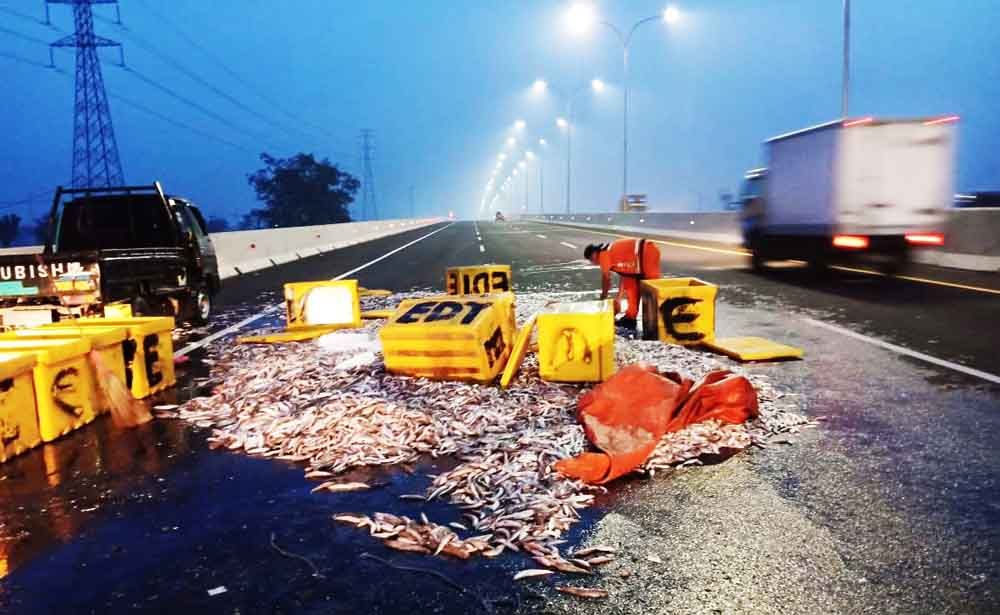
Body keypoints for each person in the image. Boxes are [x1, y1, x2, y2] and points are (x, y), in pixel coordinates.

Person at [584, 238, 661, 329]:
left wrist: (603, 299)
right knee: (630, 285)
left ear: (593, 255)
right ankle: (630, 318)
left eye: (592, 261)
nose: (595, 264)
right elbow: (624, 274)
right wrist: (618, 299)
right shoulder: (611, 253)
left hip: (646, 251)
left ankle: (656, 320)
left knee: (651, 289)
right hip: (637, 259)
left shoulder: (603, 254)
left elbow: (606, 278)